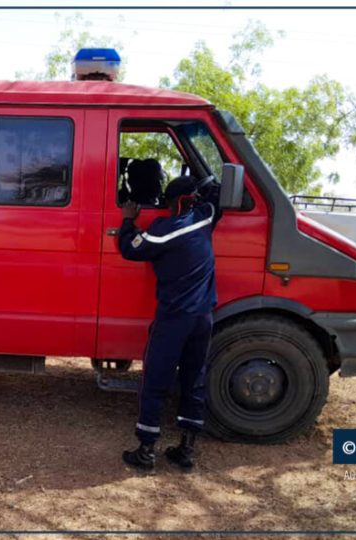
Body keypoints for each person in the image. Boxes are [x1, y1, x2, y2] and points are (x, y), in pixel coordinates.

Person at [118, 175, 222, 471]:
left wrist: (128, 220)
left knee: (156, 380)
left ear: (172, 202)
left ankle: (147, 451)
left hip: (174, 320)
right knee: (193, 380)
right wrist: (203, 191)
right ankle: (186, 450)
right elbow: (215, 197)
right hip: (203, 319)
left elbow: (131, 248)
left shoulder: (164, 231)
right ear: (192, 201)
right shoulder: (205, 218)